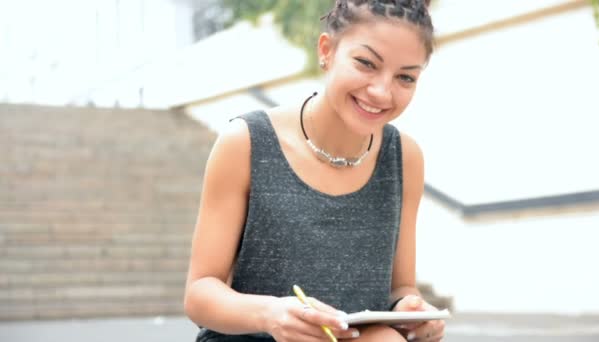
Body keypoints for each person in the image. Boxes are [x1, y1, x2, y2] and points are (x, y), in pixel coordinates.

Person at [184, 0, 445, 341]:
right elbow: (200, 293)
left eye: (405, 77)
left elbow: (400, 287)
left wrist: (412, 311)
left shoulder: (404, 157)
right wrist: (271, 314)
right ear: (327, 51)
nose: (382, 91)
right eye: (366, 63)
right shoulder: (247, 143)